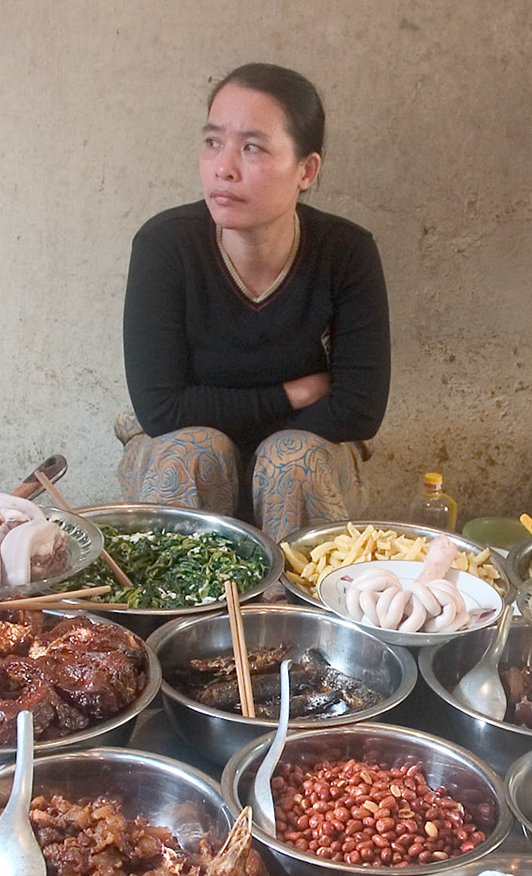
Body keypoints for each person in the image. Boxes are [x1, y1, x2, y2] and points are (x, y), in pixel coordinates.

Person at [118, 63, 390, 544]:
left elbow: (359, 410)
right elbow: (161, 408)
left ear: (306, 170)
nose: (224, 167)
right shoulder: (165, 247)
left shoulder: (346, 252)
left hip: (304, 454)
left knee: (291, 462)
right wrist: (290, 395)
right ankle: (181, 617)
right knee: (195, 451)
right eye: (212, 142)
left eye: (252, 147)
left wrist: (260, 451)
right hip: (184, 449)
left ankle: (297, 617)